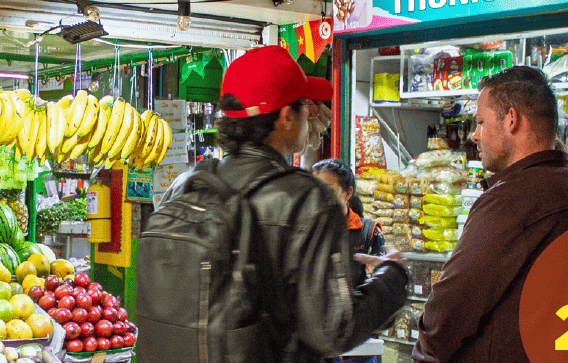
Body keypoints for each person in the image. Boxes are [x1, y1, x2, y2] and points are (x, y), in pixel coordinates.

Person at [146, 45, 410, 363]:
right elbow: (331, 331)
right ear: (286, 116)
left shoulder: (185, 186)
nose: (311, 113)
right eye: (305, 105)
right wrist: (392, 279)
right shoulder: (307, 199)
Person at [413, 66, 568, 363]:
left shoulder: (508, 202)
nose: (474, 135)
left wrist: (425, 351)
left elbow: (452, 306)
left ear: (511, 120)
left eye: (480, 122)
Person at [312, 158, 392, 278]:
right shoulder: (307, 230)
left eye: (327, 190)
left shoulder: (369, 232)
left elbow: (385, 279)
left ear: (348, 193)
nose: (319, 197)